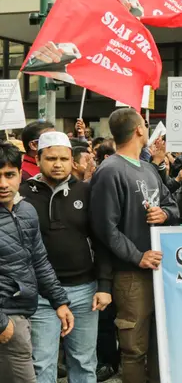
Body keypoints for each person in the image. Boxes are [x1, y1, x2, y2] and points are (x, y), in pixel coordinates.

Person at [89, 108, 179, 383]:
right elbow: (104, 228)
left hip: (158, 271)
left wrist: (164, 214)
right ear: (140, 129)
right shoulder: (110, 171)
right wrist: (138, 256)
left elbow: (172, 206)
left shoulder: (149, 168)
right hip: (131, 275)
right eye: (145, 124)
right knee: (134, 347)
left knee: (159, 344)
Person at [20, 132, 112, 383]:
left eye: (63, 158)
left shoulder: (86, 191)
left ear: (72, 160)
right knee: (42, 364)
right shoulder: (22, 195)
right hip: (41, 295)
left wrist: (104, 285)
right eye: (51, 158)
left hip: (84, 292)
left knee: (84, 362)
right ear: (38, 159)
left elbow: (102, 241)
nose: (57, 164)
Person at [0, 141, 74, 383]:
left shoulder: (26, 211)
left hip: (22, 314)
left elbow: (39, 261)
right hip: (8, 319)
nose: (3, 184)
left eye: (9, 175)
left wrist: (59, 302)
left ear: (20, 174)